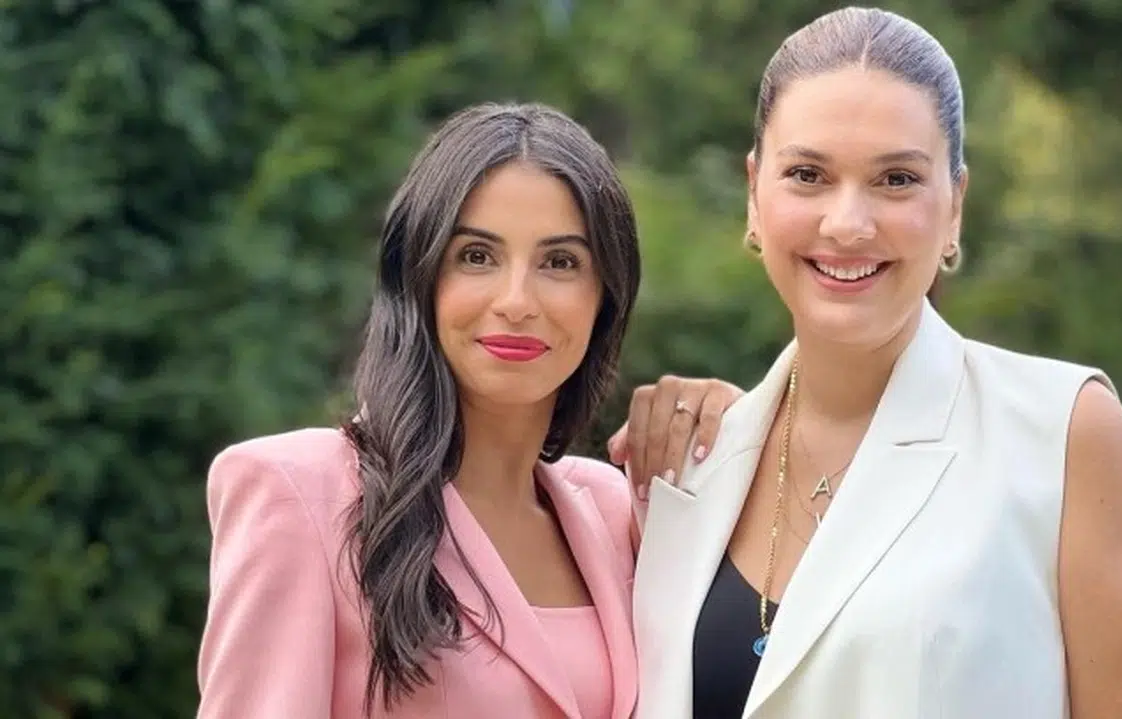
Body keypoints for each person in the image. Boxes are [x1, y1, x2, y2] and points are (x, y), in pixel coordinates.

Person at [628, 7, 1122, 718]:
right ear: (754, 194)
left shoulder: (1064, 436)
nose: (847, 224)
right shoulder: (688, 459)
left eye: (896, 180)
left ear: (955, 206)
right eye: (807, 174)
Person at [195, 102, 738, 719]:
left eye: (560, 262)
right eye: (477, 256)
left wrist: (748, 439)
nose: (516, 301)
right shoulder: (300, 492)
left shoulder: (618, 512)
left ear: (606, 297)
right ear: (419, 277)